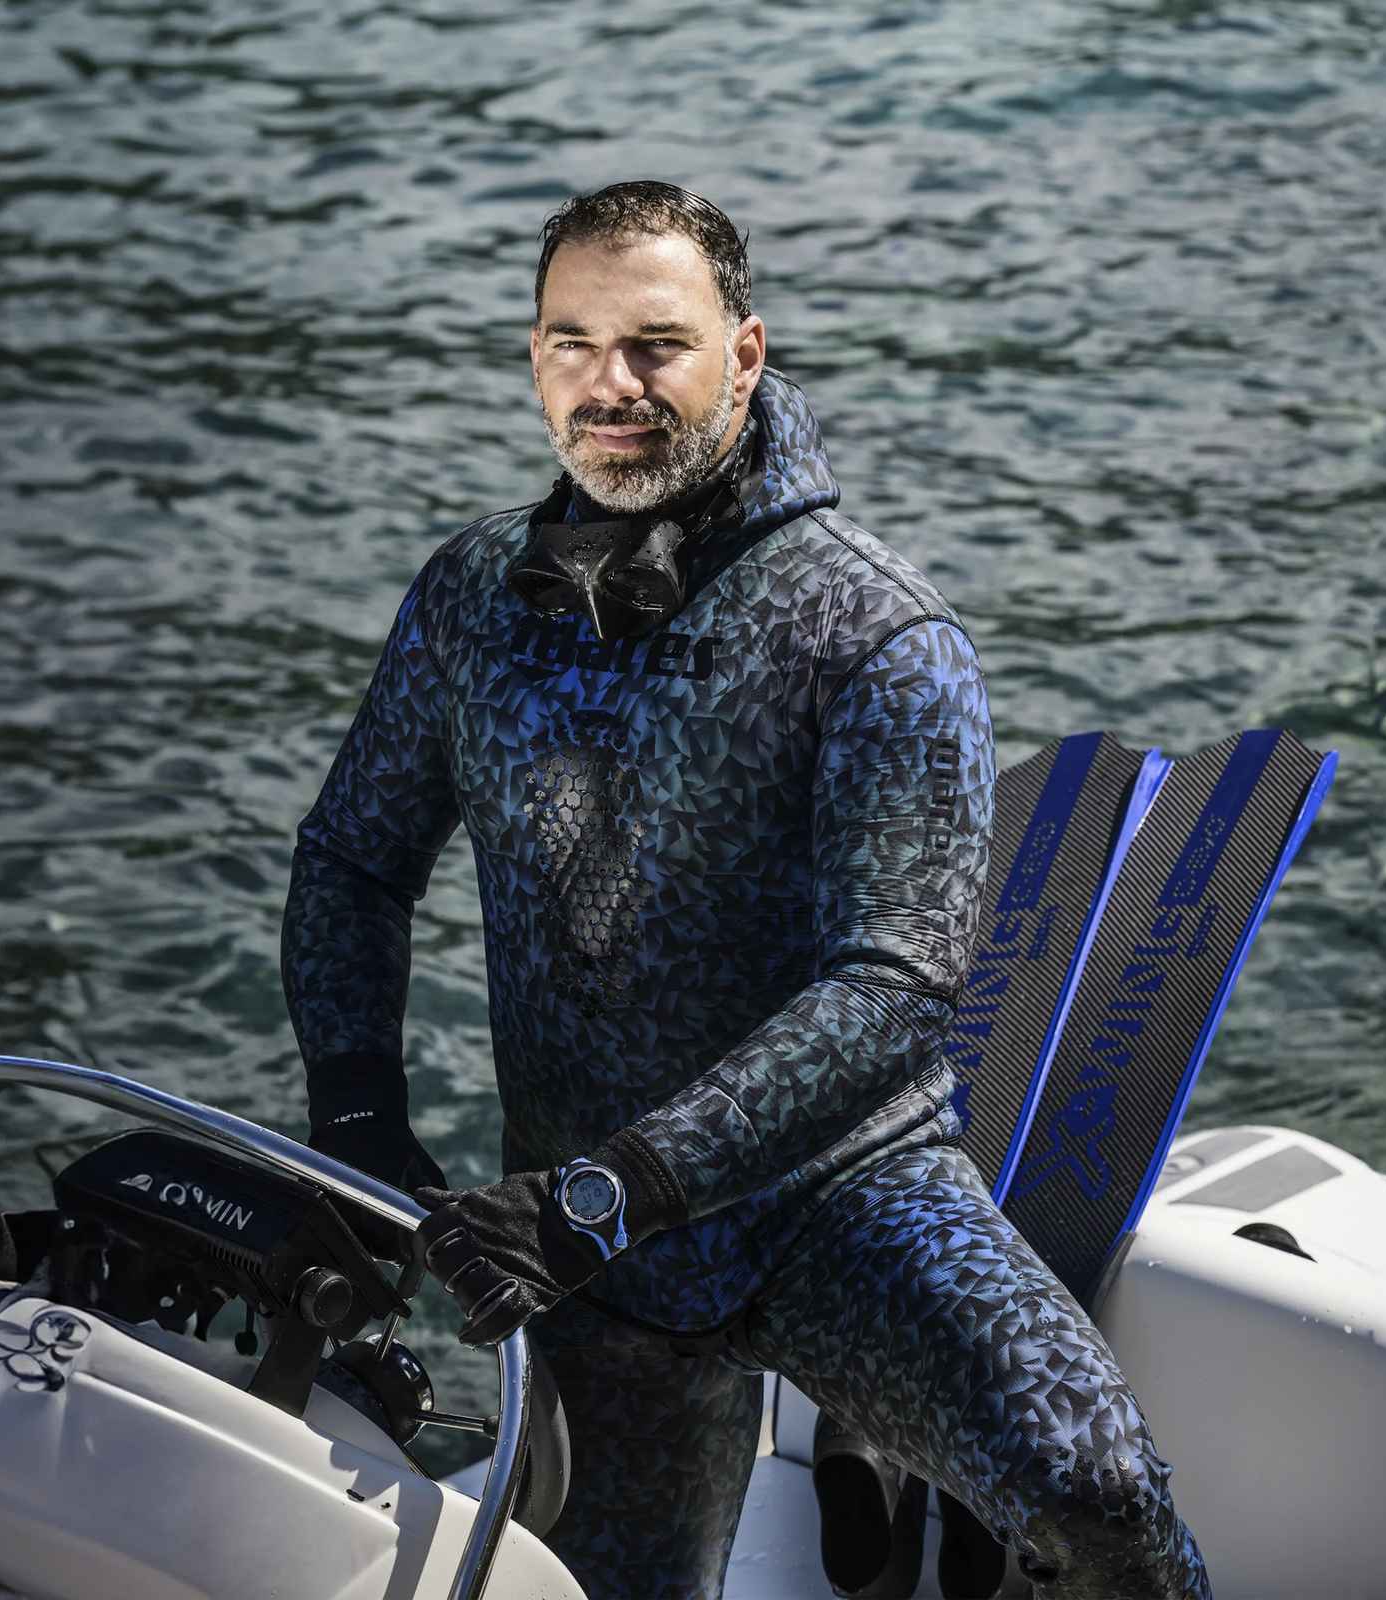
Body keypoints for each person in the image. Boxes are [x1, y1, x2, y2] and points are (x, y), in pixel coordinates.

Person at [281, 180, 1213, 1600]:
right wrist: (358, 1117)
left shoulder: (878, 628)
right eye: (572, 342)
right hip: (587, 1263)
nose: (610, 384)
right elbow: (353, 859)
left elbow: (897, 988)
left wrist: (619, 1190)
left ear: (747, 353)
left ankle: (880, 1439)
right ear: (533, 356)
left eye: (657, 344)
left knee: (1099, 1492)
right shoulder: (472, 597)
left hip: (834, 1209)